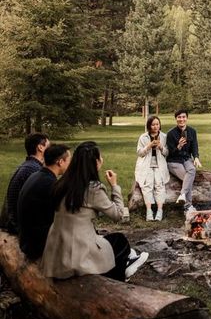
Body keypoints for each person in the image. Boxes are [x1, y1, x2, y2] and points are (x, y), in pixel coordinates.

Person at [41, 141, 148, 282]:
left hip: (56, 252)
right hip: (76, 254)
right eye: (100, 157)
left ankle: (126, 263)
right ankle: (119, 276)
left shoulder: (62, 183)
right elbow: (119, 215)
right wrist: (115, 186)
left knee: (110, 242)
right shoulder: (93, 188)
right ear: (96, 162)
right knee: (119, 241)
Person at [17, 144, 71, 260]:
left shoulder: (36, 176)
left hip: (26, 240)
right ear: (60, 162)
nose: (70, 164)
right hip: (37, 246)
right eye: (69, 160)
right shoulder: (49, 184)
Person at [2, 132, 50, 234]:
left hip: (12, 222)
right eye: (48, 146)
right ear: (40, 147)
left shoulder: (27, 166)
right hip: (17, 227)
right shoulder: (34, 170)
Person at [135, 115, 170, 221]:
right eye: (153, 124)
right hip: (146, 164)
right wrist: (149, 146)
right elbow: (140, 153)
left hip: (160, 165)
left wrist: (160, 147)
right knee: (147, 185)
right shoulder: (143, 137)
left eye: (157, 124)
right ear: (149, 126)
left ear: (160, 125)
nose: (155, 126)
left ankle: (160, 210)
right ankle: (149, 210)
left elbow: (167, 153)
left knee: (159, 185)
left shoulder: (164, 137)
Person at [166, 109, 201, 211]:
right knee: (187, 179)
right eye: (179, 117)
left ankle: (182, 195)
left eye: (183, 117)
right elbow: (170, 153)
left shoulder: (192, 131)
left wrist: (196, 157)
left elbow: (194, 147)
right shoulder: (171, 134)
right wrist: (179, 146)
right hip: (174, 161)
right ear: (176, 119)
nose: (181, 119)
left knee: (192, 170)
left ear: (187, 118)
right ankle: (188, 206)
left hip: (186, 159)